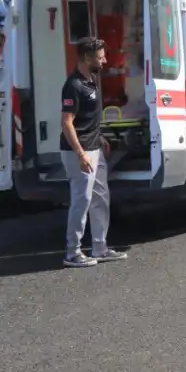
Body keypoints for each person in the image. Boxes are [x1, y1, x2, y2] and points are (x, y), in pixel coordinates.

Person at [60, 36, 127, 267]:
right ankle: (72, 252)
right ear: (87, 58)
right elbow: (67, 122)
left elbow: (89, 119)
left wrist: (99, 137)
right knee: (82, 199)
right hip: (79, 153)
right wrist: (80, 154)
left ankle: (100, 247)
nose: (105, 60)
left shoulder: (92, 80)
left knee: (100, 197)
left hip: (94, 147)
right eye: (100, 57)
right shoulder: (73, 85)